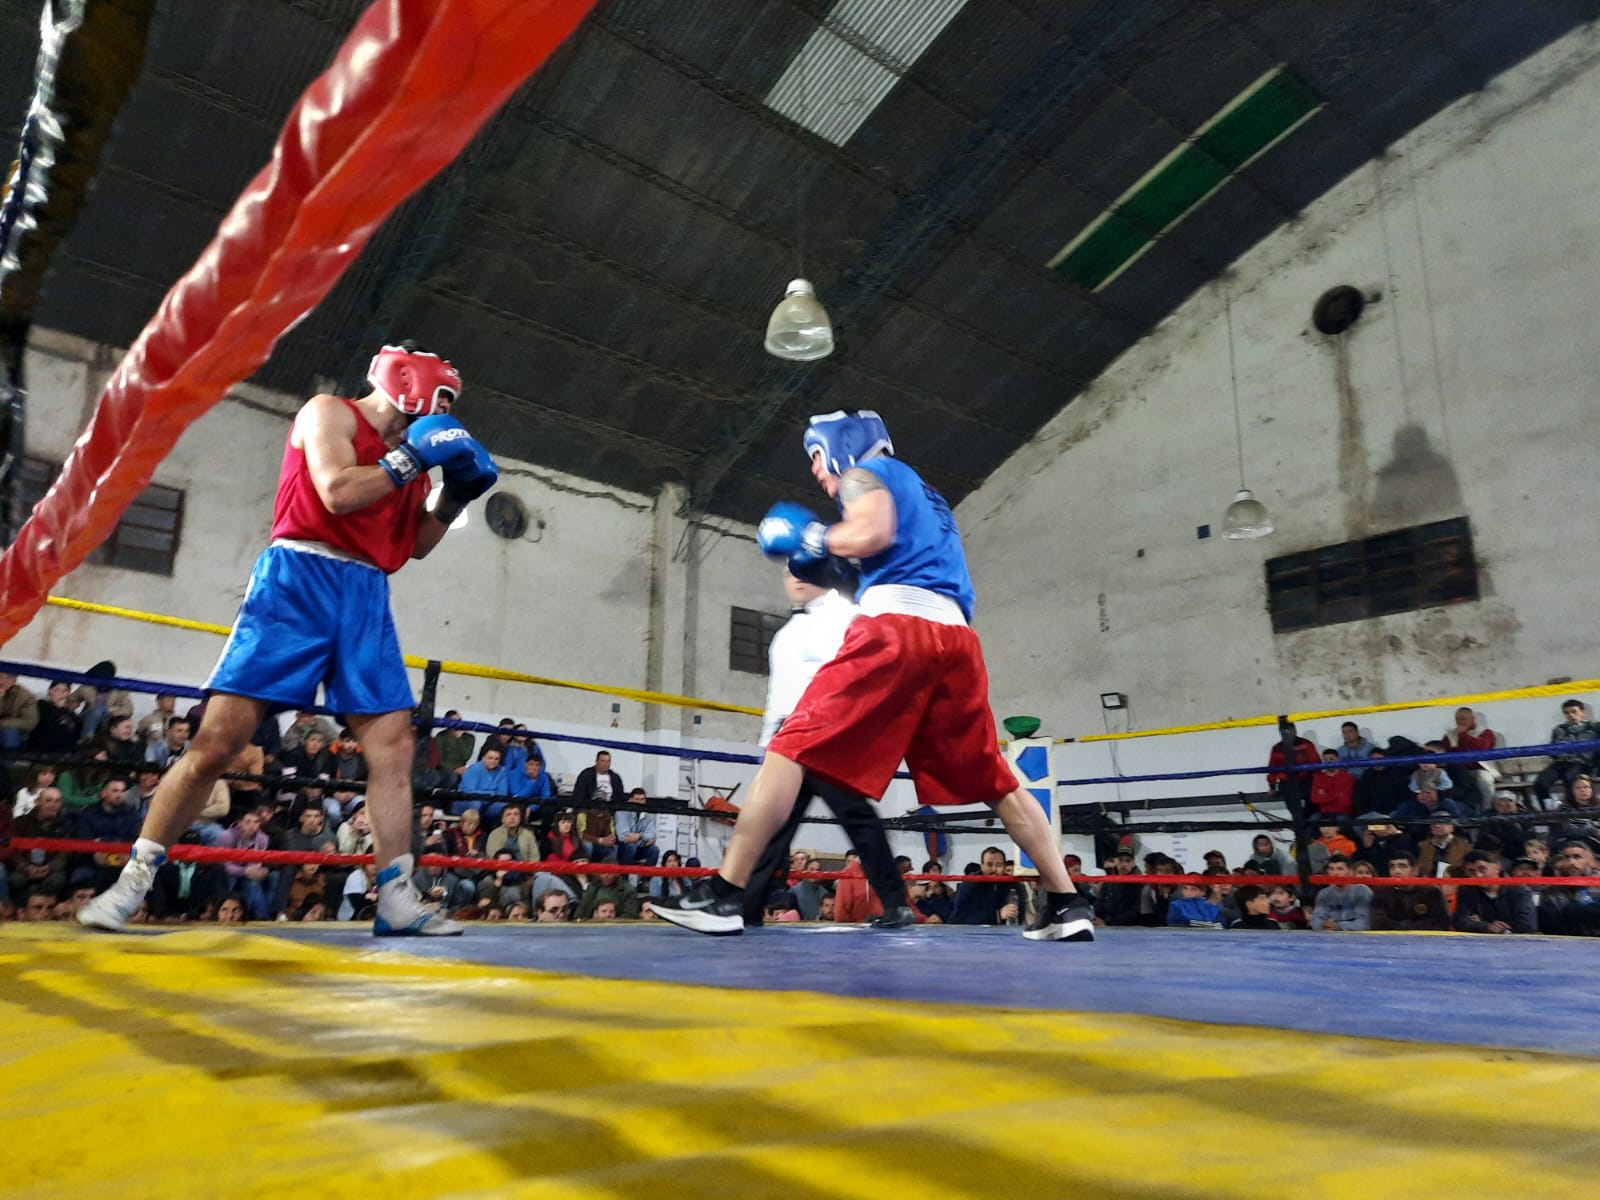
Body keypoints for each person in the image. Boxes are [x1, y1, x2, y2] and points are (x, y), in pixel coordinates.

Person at [79, 342, 496, 935]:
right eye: (441, 401)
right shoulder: (330, 412)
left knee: (395, 747)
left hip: (365, 592)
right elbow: (337, 492)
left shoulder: (412, 461)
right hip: (297, 578)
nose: (439, 416)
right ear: (408, 385)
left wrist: (455, 495)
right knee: (219, 743)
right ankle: (132, 883)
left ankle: (397, 897)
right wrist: (411, 459)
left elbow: (414, 547)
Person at [650, 411, 1090, 940]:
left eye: (816, 455)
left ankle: (724, 895)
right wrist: (831, 562)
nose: (815, 469)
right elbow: (891, 557)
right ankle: (1068, 903)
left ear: (842, 444)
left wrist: (816, 534)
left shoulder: (865, 475)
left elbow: (871, 532)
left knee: (789, 747)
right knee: (995, 779)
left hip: (897, 631)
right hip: (956, 642)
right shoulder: (926, 494)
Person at [734, 556, 911, 928]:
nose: (795, 580)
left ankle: (895, 903)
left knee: (850, 817)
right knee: (780, 825)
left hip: (825, 733)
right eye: (788, 574)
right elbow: (778, 694)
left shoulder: (844, 616)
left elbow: (866, 670)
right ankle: (748, 907)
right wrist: (769, 742)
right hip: (788, 739)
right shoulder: (784, 635)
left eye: (802, 572)